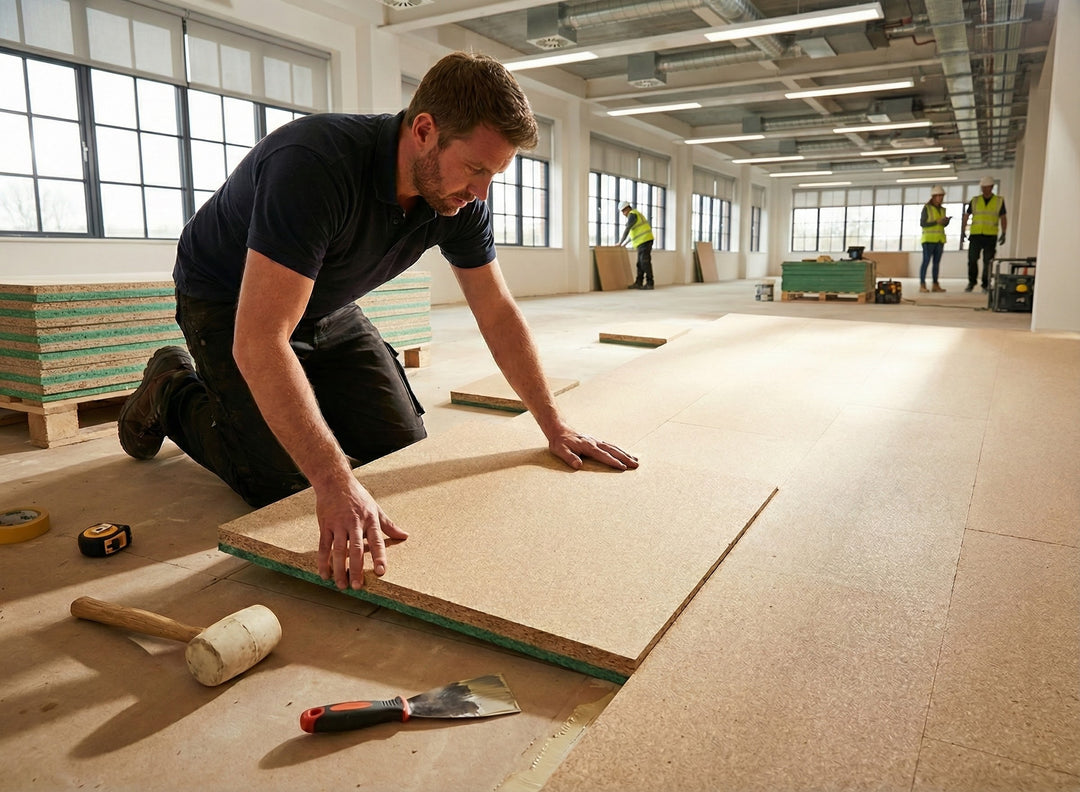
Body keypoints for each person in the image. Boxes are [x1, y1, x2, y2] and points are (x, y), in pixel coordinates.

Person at [117, 51, 639, 591]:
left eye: (495, 174)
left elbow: (498, 313)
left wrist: (553, 424)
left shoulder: (458, 201)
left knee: (402, 451)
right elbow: (259, 340)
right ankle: (172, 388)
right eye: (477, 168)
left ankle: (293, 416)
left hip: (325, 303)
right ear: (424, 130)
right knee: (283, 483)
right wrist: (332, 481)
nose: (482, 192)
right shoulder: (315, 165)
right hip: (228, 301)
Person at [960, 175, 1007, 293]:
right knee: (972, 259)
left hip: (990, 236)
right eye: (983, 187)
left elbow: (1003, 217)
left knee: (988, 261)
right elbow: (966, 215)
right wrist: (963, 230)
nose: (985, 189)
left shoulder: (999, 201)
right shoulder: (975, 200)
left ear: (992, 187)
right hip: (975, 235)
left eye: (987, 187)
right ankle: (971, 282)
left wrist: (1004, 232)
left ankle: (985, 284)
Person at [919, 185, 951, 293]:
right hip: (928, 240)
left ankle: (935, 285)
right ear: (933, 197)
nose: (940, 198)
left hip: (939, 240)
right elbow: (922, 223)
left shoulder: (942, 210)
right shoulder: (927, 208)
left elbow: (941, 225)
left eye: (941, 196)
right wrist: (936, 222)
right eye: (938, 196)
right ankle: (922, 285)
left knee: (936, 263)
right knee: (926, 262)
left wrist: (946, 221)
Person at [617, 201, 655, 290]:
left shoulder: (632, 215)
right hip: (643, 241)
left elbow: (627, 229)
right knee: (640, 263)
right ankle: (639, 283)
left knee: (644, 262)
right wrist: (624, 244)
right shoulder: (636, 215)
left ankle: (650, 283)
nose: (623, 214)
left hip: (645, 240)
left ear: (627, 208)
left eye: (623, 211)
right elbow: (632, 234)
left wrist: (620, 242)